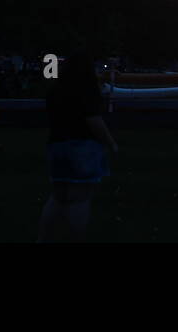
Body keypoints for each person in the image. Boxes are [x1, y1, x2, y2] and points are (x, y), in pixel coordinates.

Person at [38, 54, 118, 242]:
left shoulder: (55, 91)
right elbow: (93, 120)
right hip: (82, 147)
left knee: (58, 197)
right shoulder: (85, 91)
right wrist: (110, 142)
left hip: (57, 146)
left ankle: (43, 238)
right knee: (80, 198)